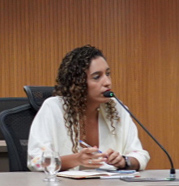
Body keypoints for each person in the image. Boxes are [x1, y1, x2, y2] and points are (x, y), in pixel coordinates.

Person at [26, 45, 149, 173]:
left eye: (107, 74)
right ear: (78, 83)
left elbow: (141, 155)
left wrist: (124, 161)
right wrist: (76, 159)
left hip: (109, 184)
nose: (107, 82)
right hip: (64, 185)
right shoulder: (53, 108)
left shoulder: (117, 109)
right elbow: (36, 161)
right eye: (97, 77)